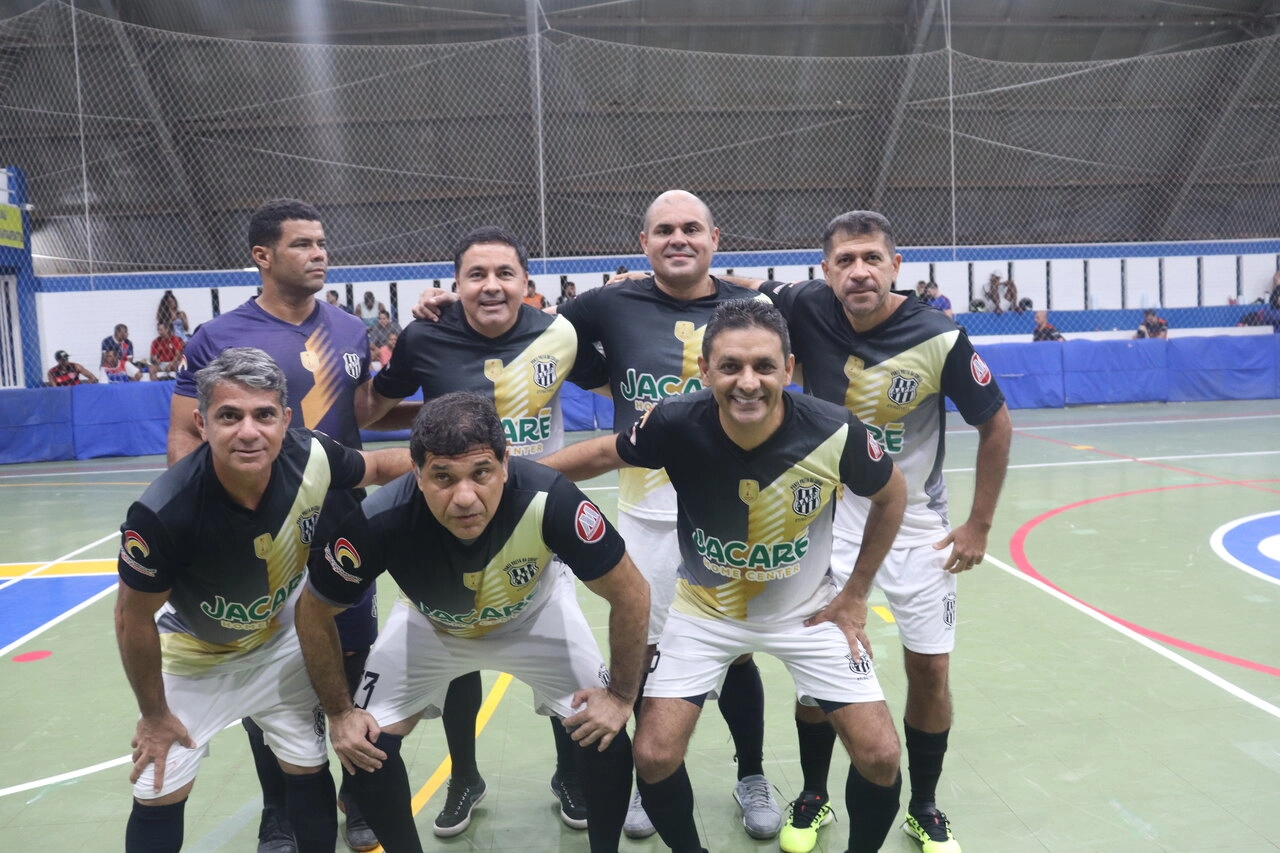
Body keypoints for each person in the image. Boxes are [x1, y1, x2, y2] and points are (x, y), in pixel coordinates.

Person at [543, 299, 909, 853]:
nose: (747, 382)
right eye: (731, 366)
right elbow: (602, 455)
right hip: (704, 612)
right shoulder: (673, 422)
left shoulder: (835, 431)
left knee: (881, 755)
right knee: (655, 753)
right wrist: (511, 477)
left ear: (788, 369)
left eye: (764, 366)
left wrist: (856, 594)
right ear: (704, 370)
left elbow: (893, 495)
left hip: (808, 612)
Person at [749, 211, 1010, 853]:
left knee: (929, 671)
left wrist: (977, 523)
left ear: (897, 266)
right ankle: (814, 794)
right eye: (844, 260)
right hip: (827, 518)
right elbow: (725, 300)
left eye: (871, 257)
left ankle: (922, 804)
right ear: (825, 270)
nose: (858, 270)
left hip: (918, 524)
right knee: (818, 668)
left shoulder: (942, 336)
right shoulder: (801, 305)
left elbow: (996, 426)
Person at [295, 392, 649, 853]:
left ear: (505, 463)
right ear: (417, 473)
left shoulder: (550, 497)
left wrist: (621, 696)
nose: (464, 497)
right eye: (442, 476)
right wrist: (341, 714)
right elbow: (313, 610)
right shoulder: (380, 519)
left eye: (481, 472)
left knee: (603, 729)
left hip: (536, 616)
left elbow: (632, 592)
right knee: (364, 743)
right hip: (432, 627)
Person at [169, 198, 408, 853]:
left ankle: (355, 795)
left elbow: (364, 416)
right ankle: (279, 806)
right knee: (264, 675)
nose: (320, 253)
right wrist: (199, 530)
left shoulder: (349, 329)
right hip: (256, 533)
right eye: (303, 244)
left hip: (341, 527)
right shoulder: (216, 337)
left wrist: (440, 379)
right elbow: (183, 438)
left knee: (353, 665)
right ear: (263, 256)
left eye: (322, 242)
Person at [355, 225, 610, 838]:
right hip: (445, 522)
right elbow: (369, 409)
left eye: (504, 274)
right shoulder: (423, 337)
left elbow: (617, 386)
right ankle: (464, 776)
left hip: (535, 526)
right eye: (477, 274)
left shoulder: (560, 335)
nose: (491, 285)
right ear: (454, 285)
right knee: (457, 652)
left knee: (560, 663)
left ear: (528, 283)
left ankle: (569, 774)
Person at [115, 347, 411, 853]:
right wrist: (154, 713)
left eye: (263, 415)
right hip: (195, 656)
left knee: (307, 765)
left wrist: (455, 464)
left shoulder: (310, 455)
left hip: (278, 643)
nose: (248, 431)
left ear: (286, 420)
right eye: (229, 416)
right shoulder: (163, 512)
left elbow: (381, 465)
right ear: (202, 423)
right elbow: (132, 618)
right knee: (158, 786)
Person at [555, 190, 783, 840]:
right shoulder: (608, 303)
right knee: (645, 652)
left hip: (734, 514)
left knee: (736, 657)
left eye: (691, 228)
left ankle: (751, 773)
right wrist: (440, 304)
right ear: (643, 241)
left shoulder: (753, 306)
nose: (677, 238)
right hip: (647, 517)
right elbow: (532, 333)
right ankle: (647, 778)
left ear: (716, 236)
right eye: (664, 230)